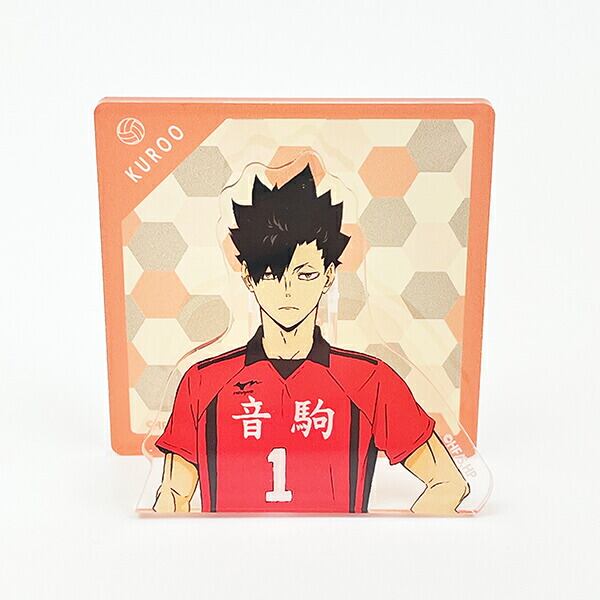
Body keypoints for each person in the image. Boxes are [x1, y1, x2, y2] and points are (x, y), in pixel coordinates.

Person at [153, 165, 469, 514]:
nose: (288, 290)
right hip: (236, 546)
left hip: (338, 546)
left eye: (305, 274)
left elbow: (449, 483)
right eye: (271, 275)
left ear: (329, 275)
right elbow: (174, 495)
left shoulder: (370, 381)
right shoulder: (202, 383)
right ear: (247, 277)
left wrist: (390, 541)